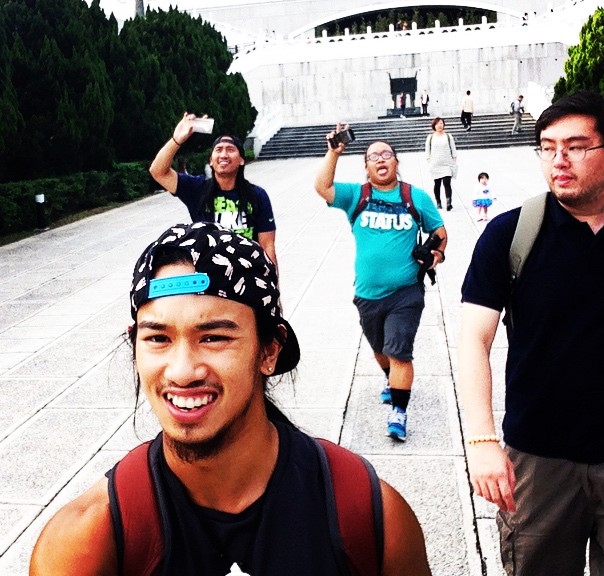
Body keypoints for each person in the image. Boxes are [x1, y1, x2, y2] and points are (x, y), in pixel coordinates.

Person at [30, 222, 432, 575]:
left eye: (214, 337)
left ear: (269, 350)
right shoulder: (87, 541)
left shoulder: (365, 514)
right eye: (158, 338)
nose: (182, 371)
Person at [458, 91, 604, 575]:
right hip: (538, 460)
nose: (559, 160)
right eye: (547, 147)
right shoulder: (511, 235)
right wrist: (482, 441)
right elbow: (474, 339)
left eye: (576, 147)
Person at [315, 126, 447, 442]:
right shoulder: (356, 196)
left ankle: (399, 412)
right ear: (367, 167)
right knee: (380, 350)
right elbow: (323, 186)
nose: (380, 159)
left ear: (396, 162)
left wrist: (437, 254)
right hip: (367, 294)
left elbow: (440, 232)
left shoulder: (415, 197)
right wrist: (333, 152)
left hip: (406, 291)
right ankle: (390, 378)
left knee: (399, 351)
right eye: (373, 156)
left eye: (386, 154)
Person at [149, 113, 277, 267]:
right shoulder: (197, 189)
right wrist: (176, 140)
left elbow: (267, 245)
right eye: (218, 149)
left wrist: (273, 280)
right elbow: (158, 172)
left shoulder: (257, 195)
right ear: (211, 160)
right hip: (209, 272)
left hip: (247, 271)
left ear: (241, 160)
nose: (224, 155)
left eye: (230, 149)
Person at [425, 117, 458, 211]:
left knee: (447, 183)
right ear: (434, 126)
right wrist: (429, 161)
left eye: (441, 123)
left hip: (447, 163)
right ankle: (438, 202)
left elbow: (453, 149)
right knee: (437, 184)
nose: (440, 125)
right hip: (435, 164)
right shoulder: (430, 137)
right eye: (437, 124)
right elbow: (427, 151)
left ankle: (449, 202)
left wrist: (454, 160)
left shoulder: (448, 136)